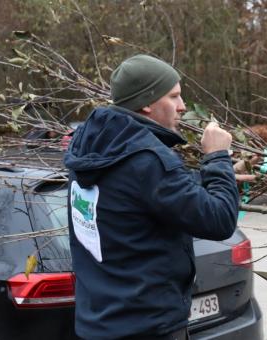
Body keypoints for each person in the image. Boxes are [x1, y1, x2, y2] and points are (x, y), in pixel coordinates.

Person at [64, 54, 240, 340]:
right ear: (147, 102)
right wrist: (218, 157)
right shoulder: (149, 160)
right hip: (148, 326)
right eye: (174, 97)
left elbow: (136, 199)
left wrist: (213, 177)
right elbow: (219, 221)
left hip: (99, 324)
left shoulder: (90, 150)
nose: (183, 107)